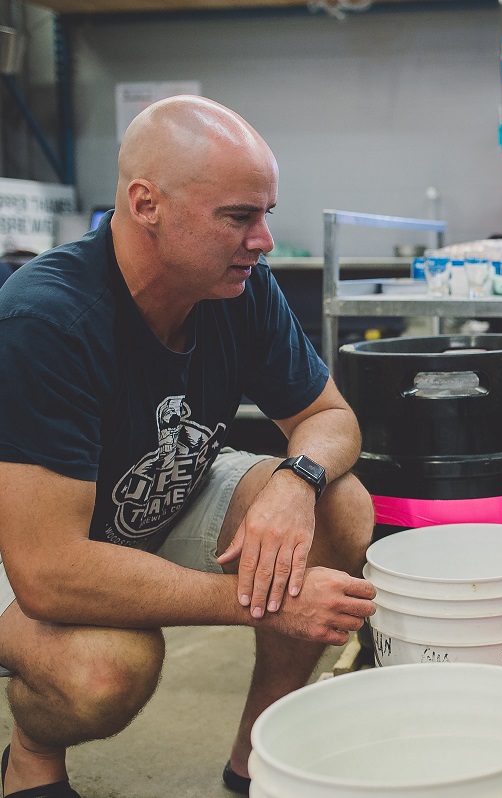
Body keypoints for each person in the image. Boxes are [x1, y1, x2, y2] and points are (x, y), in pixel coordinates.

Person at [0, 96, 377, 797]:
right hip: (29, 545)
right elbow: (46, 569)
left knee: (340, 504)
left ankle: (255, 764)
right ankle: (31, 758)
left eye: (264, 213)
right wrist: (260, 600)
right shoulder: (46, 322)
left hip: (154, 496)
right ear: (146, 205)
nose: (263, 239)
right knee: (107, 668)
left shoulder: (240, 289)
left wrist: (296, 481)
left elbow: (331, 418)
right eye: (239, 217)